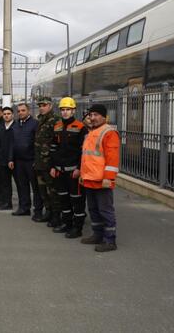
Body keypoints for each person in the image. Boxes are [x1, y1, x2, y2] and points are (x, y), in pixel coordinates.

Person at [80, 104, 120, 252]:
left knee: (106, 211)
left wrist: (108, 178)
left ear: (104, 117)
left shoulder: (109, 133)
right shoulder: (92, 132)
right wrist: (83, 175)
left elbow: (112, 159)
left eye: (96, 115)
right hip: (90, 179)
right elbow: (87, 157)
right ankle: (97, 235)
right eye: (91, 115)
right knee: (93, 210)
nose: (93, 117)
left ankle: (110, 240)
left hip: (102, 180)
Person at [50, 97, 87, 238]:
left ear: (73, 110)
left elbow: (83, 151)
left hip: (74, 172)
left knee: (76, 199)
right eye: (63, 110)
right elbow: (53, 148)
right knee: (63, 199)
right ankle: (67, 224)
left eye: (68, 110)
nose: (65, 112)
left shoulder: (80, 127)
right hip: (59, 171)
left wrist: (79, 168)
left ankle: (77, 228)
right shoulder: (57, 126)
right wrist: (53, 166)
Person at [34, 96, 59, 224]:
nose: (41, 108)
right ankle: (48, 211)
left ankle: (56, 216)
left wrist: (54, 164)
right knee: (42, 190)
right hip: (39, 162)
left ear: (50, 106)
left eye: (44, 105)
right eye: (40, 106)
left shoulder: (55, 120)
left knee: (52, 191)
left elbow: (56, 143)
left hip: (49, 163)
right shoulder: (41, 120)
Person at [12, 103, 40, 217]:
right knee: (22, 186)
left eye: (23, 110)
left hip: (31, 160)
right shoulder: (16, 124)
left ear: (28, 111)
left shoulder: (35, 124)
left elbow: (37, 144)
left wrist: (36, 160)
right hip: (19, 161)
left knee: (36, 188)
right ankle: (24, 208)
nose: (20, 113)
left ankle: (38, 210)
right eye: (18, 111)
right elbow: (12, 143)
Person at [0, 107, 15, 210]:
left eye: (8, 114)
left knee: (18, 184)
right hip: (1, 159)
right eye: (5, 114)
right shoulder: (0, 127)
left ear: (12, 115)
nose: (6, 115)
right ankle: (5, 202)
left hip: (13, 160)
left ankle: (22, 205)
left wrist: (11, 159)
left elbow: (13, 145)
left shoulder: (16, 126)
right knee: (4, 182)